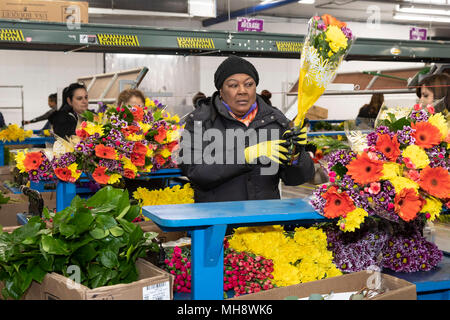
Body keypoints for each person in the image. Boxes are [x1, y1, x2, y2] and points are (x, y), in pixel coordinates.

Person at [179, 55, 315, 203]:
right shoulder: (200, 121)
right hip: (218, 220)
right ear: (221, 90)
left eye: (249, 84)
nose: (242, 91)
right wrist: (245, 156)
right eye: (233, 85)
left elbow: (295, 179)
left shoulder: (275, 120)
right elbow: (195, 172)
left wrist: (296, 153)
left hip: (264, 218)